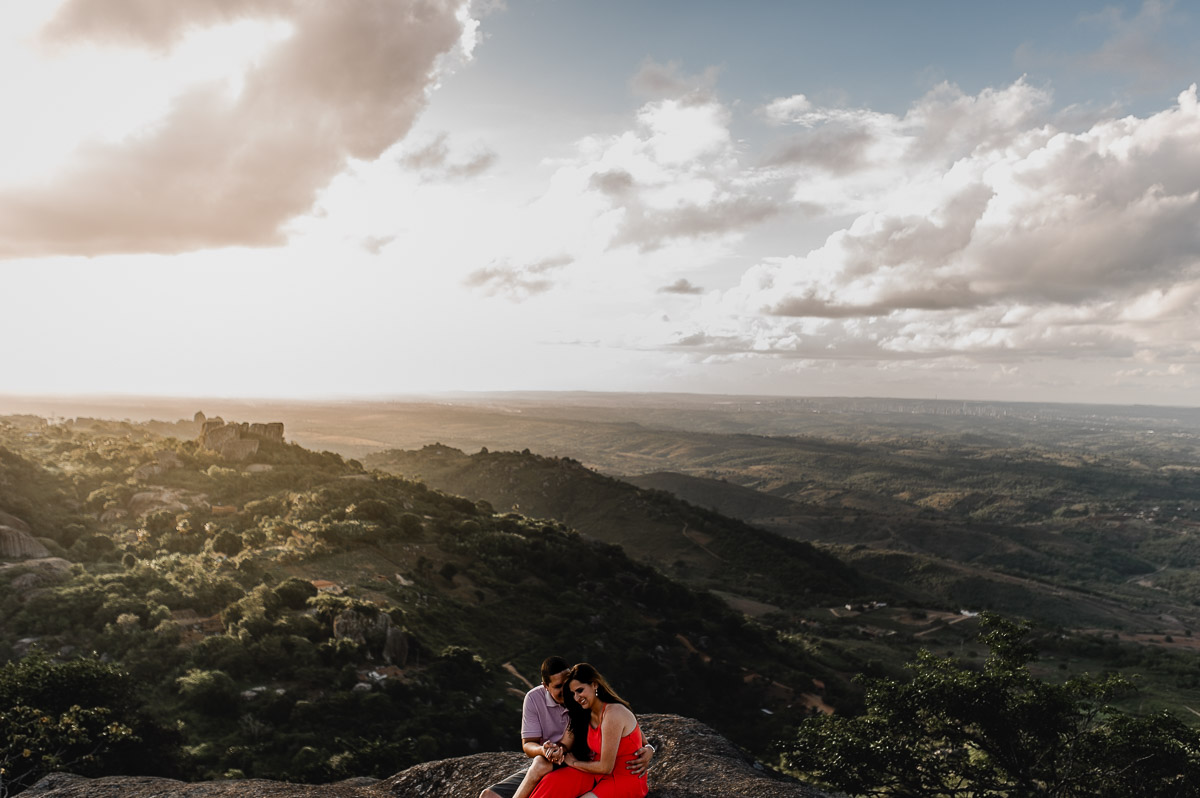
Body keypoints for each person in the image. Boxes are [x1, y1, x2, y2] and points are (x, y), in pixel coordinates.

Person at [480, 657, 652, 798]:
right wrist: (550, 750)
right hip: (559, 761)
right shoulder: (538, 699)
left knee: (543, 767)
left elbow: (635, 736)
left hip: (587, 766)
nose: (571, 693)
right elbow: (542, 744)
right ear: (545, 686)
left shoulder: (593, 706)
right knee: (489, 795)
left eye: (570, 686)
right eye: (558, 687)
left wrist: (649, 749)